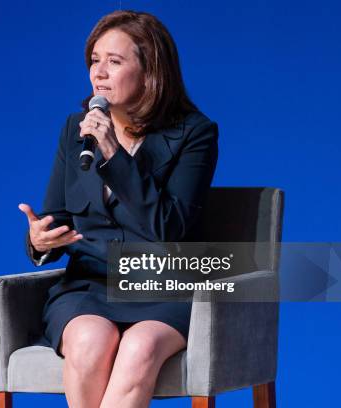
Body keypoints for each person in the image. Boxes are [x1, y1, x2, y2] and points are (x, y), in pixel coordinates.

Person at [18, 10, 218, 408]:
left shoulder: (195, 133)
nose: (99, 73)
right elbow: (58, 219)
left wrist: (113, 155)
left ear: (151, 70)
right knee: (90, 341)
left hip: (162, 288)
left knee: (139, 349)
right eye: (94, 60)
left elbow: (169, 228)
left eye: (114, 61)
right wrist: (39, 240)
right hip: (88, 286)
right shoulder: (77, 129)